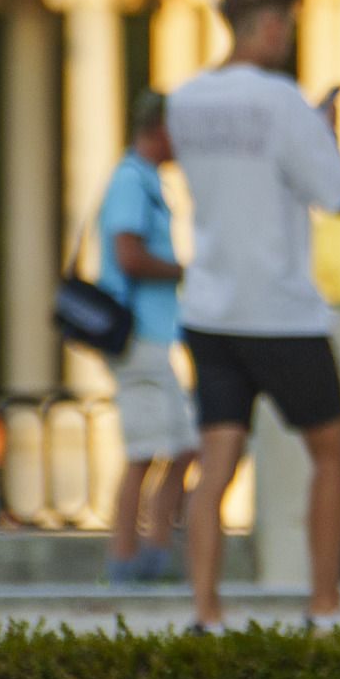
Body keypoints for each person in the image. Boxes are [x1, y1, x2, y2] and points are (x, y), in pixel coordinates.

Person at [166, 0, 340, 629]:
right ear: (270, 26)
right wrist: (322, 128)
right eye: (289, 27)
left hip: (210, 307)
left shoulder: (184, 101)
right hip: (279, 310)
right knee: (333, 453)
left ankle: (205, 608)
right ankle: (324, 604)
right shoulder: (281, 103)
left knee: (217, 461)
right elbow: (336, 193)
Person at [94, 91, 193, 585]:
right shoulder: (131, 180)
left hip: (153, 336)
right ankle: (127, 559)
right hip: (137, 338)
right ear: (158, 130)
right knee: (146, 449)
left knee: (181, 443)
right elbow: (129, 256)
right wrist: (184, 270)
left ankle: (151, 552)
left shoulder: (146, 180)